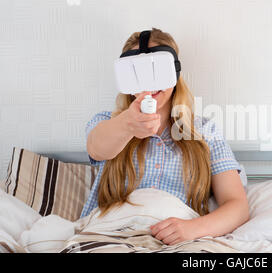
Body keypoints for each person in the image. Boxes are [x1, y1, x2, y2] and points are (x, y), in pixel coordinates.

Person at [80, 28, 249, 246]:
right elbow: (96, 147)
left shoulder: (205, 131)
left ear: (175, 72)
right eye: (137, 72)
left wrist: (192, 229)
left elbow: (237, 205)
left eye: (156, 69)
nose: (148, 82)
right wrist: (127, 124)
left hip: (177, 243)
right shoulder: (107, 122)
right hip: (112, 236)